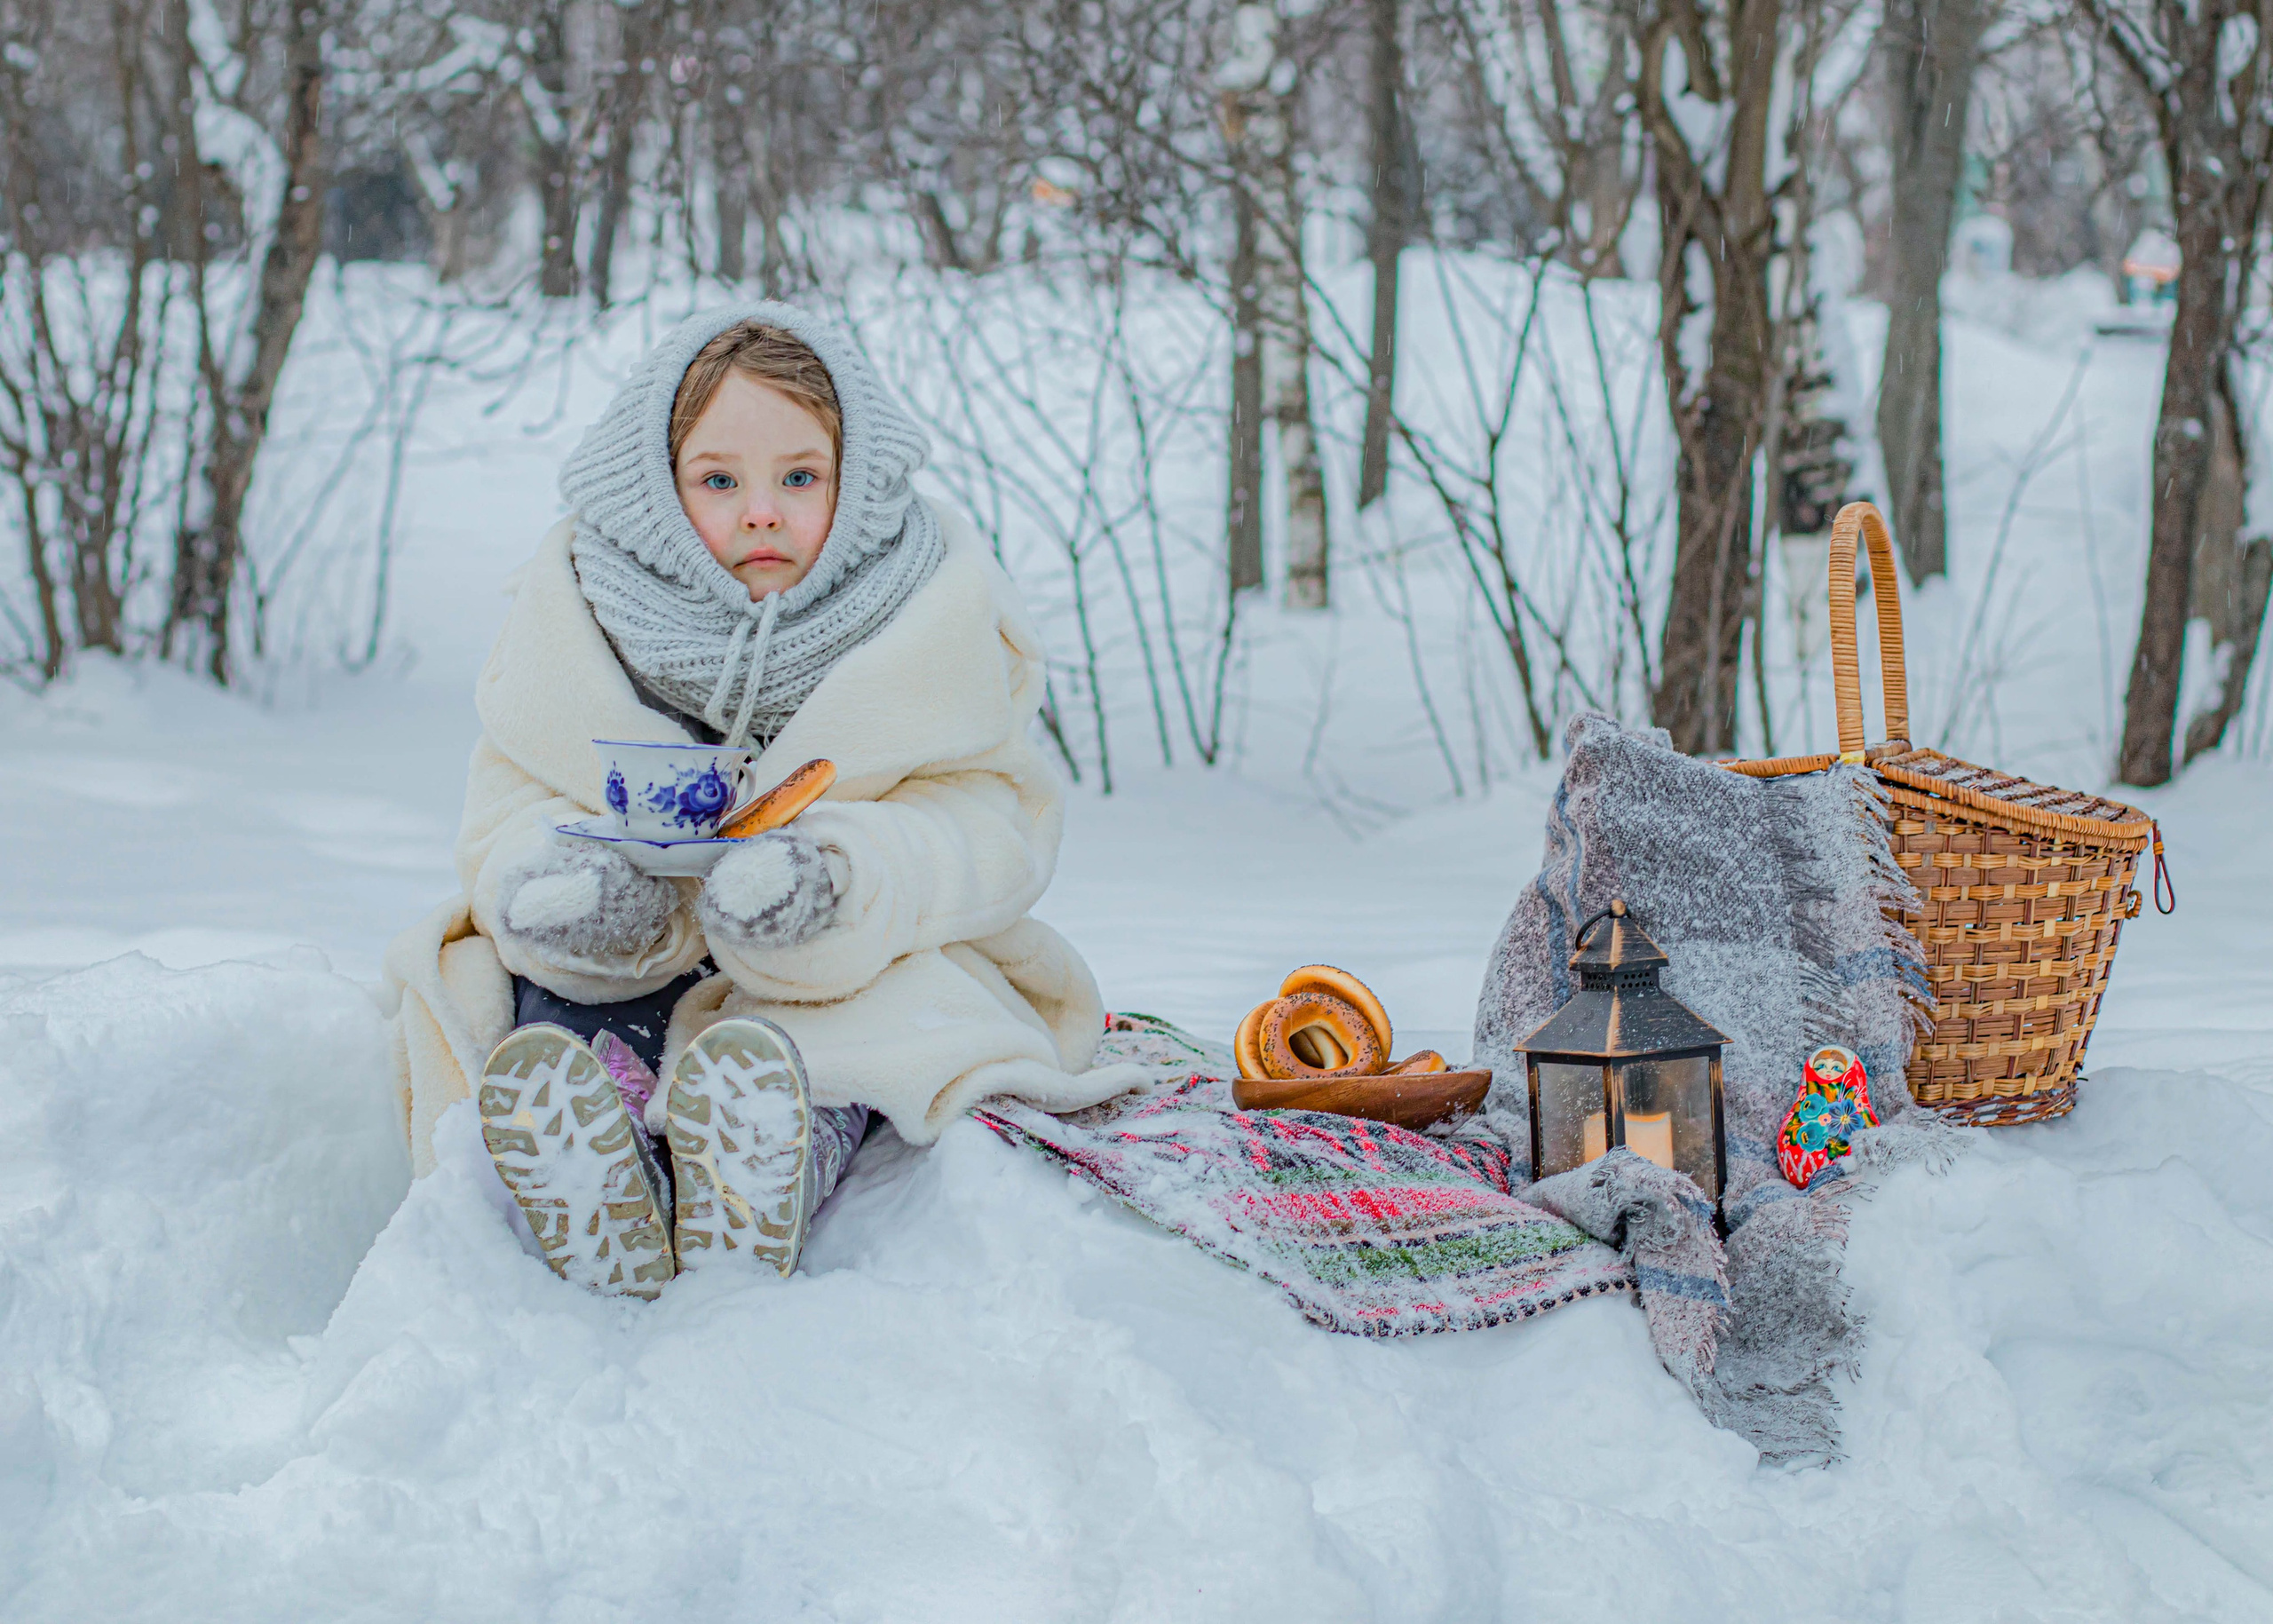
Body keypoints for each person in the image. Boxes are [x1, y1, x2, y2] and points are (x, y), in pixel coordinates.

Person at [381, 304, 1148, 1298]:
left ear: (853, 481)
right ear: (655, 489)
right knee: (563, 1004)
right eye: (718, 481)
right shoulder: (583, 610)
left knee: (856, 1028)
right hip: (633, 958)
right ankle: (602, 1156)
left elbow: (988, 813)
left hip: (843, 962)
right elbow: (511, 792)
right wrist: (571, 884)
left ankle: (769, 1161)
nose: (761, 512)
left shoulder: (923, 611)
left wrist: (846, 879)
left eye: (799, 478)